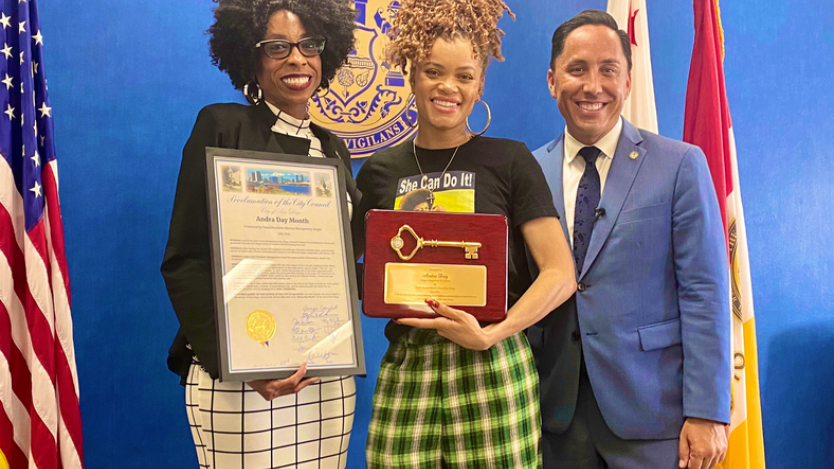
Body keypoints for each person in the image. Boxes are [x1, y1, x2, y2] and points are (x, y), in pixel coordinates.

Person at [353, 0, 577, 467]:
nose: (447, 87)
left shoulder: (510, 160)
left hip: (493, 363)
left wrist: (494, 334)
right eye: (434, 71)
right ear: (412, 73)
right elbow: (351, 272)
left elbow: (559, 274)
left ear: (479, 87)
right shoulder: (379, 170)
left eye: (464, 76)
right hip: (409, 364)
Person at [160, 1, 360, 467]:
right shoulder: (222, 126)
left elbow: (340, 265)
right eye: (277, 47)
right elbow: (185, 261)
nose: (297, 59)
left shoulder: (335, 149)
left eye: (309, 45)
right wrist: (240, 364)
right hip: (240, 378)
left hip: (325, 376)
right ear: (251, 57)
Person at [531, 10, 731, 469]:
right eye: (577, 69)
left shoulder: (680, 165)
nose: (592, 85)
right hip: (553, 418)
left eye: (608, 70)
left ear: (628, 80)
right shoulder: (529, 172)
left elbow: (705, 292)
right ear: (551, 80)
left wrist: (706, 411)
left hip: (655, 418)